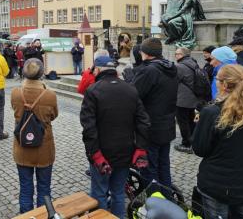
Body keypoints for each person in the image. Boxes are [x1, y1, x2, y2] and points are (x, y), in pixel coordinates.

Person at [81, 55, 150, 218]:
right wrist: (140, 148)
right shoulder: (130, 89)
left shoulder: (93, 91)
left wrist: (94, 153)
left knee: (99, 193)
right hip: (125, 151)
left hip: (101, 153)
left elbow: (88, 128)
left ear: (97, 70)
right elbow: (144, 122)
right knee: (118, 193)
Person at [192, 64, 243, 219]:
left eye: (217, 79)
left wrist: (200, 125)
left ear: (224, 84)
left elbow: (199, 149)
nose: (215, 82)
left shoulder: (211, 112)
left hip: (215, 184)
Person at [11, 58, 58, 213]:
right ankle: (43, 214)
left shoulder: (15, 93)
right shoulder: (50, 95)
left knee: (25, 188)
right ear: (41, 73)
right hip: (44, 146)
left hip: (22, 145)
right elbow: (53, 115)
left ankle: (27, 216)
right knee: (44, 189)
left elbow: (15, 111)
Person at [133, 38, 178, 187]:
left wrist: (129, 78)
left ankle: (154, 201)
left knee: (149, 167)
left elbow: (134, 94)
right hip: (167, 125)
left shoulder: (149, 70)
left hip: (150, 128)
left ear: (146, 53)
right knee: (163, 165)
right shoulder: (170, 67)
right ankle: (167, 195)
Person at [174, 47, 200, 154]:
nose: (176, 56)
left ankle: (186, 144)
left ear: (184, 55)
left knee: (183, 121)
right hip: (193, 98)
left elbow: (174, 81)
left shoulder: (180, 66)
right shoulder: (194, 63)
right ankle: (193, 141)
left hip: (183, 99)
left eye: (178, 54)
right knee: (191, 120)